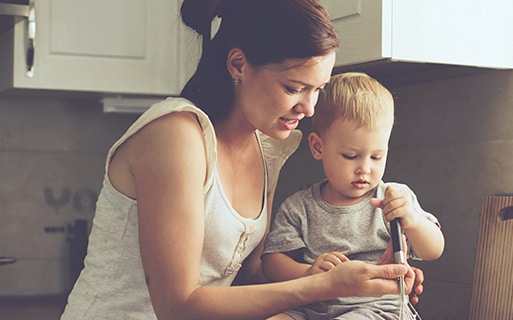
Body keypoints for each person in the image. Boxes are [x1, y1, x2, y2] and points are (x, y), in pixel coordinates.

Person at [60, 1, 422, 319]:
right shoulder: (176, 135)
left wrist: (352, 276)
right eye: (294, 88)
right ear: (238, 65)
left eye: (318, 90)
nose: (309, 108)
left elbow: (249, 279)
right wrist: (323, 287)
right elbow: (178, 307)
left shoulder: (268, 149)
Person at [261, 72, 445, 320]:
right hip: (309, 307)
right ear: (318, 147)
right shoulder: (298, 207)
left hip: (377, 309)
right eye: (350, 156)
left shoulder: (394, 199)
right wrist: (308, 273)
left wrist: (411, 219)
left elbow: (434, 249)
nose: (365, 168)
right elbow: (272, 263)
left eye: (377, 157)